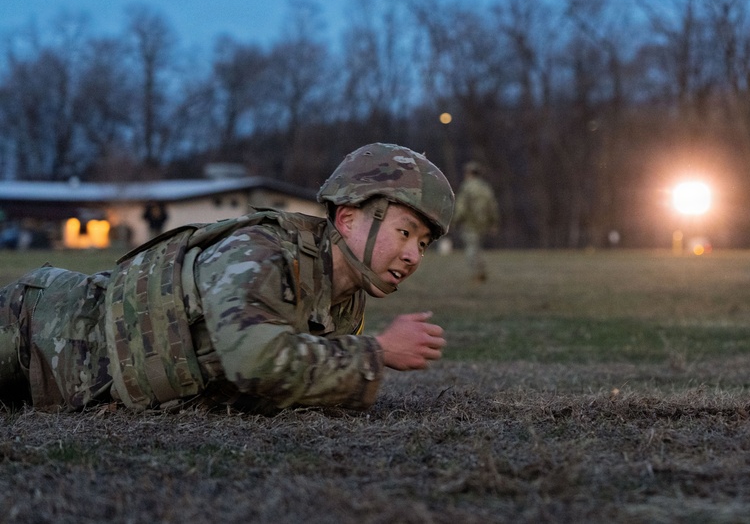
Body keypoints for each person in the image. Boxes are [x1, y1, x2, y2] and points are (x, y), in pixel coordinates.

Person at [0, 143, 453, 413]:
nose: (412, 254)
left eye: (424, 243)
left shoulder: (344, 302)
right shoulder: (260, 253)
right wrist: (376, 353)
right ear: (349, 218)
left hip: (72, 385)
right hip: (32, 330)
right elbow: (256, 363)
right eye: (404, 232)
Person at [451, 160, 500, 282]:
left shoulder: (466, 187)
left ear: (468, 173)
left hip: (470, 223)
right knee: (477, 248)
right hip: (483, 224)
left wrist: (455, 220)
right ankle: (481, 271)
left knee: (471, 250)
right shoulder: (485, 188)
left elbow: (461, 207)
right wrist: (494, 223)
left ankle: (477, 273)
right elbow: (493, 206)